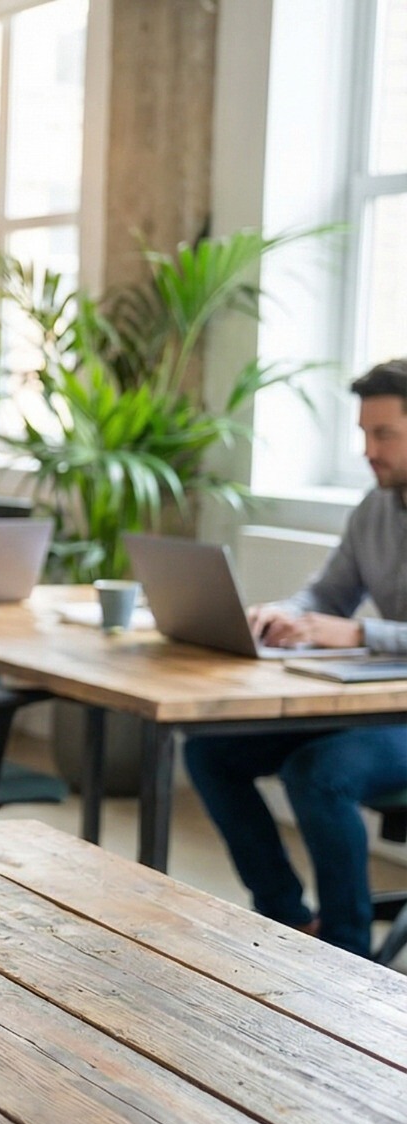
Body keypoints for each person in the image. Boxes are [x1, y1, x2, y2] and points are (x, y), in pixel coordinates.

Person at [186, 360, 407, 958]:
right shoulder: (375, 507)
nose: (368, 449)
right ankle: (286, 920)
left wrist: (357, 634)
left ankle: (346, 953)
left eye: (383, 434)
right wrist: (282, 614)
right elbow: (325, 595)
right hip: (370, 705)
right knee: (210, 750)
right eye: (362, 433)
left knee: (319, 771)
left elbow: (348, 623)